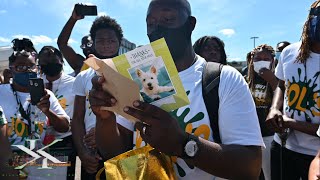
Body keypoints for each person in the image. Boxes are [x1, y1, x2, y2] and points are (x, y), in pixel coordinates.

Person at [89, 0, 264, 179]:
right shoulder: (136, 80)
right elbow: (114, 153)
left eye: (168, 19)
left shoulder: (224, 79)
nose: (157, 28)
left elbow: (250, 167)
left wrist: (182, 144)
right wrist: (105, 118)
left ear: (190, 24)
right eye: (150, 23)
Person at [0, 38, 70, 178]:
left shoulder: (47, 94)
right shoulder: (1, 92)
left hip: (39, 160)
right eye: (20, 67)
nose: (27, 70)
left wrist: (47, 111)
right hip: (7, 158)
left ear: (37, 69)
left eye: (31, 66)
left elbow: (65, 127)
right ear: (11, 70)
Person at [266, 1, 320, 179]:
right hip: (283, 147)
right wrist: (275, 108)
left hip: (316, 156)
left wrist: (289, 123)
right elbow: (282, 85)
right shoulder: (289, 52)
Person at [71, 15, 123, 179]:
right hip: (92, 154)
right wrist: (83, 152)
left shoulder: (131, 73)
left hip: (123, 149)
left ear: (119, 42)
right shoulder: (83, 76)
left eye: (111, 40)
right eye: (100, 40)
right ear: (92, 43)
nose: (106, 45)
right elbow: (77, 118)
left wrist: (103, 132)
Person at [38, 46, 76, 179]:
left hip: (65, 141)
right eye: (45, 62)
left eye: (54, 61)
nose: (50, 65)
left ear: (62, 61)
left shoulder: (74, 83)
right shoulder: (34, 84)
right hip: (38, 142)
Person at [247, 44, 278, 180]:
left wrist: (272, 81)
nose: (262, 61)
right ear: (252, 61)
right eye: (258, 58)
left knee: (270, 174)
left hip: (270, 137)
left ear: (272, 61)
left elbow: (284, 103)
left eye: (266, 58)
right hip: (250, 138)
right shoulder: (245, 81)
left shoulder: (279, 81)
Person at [57, 4, 94, 76]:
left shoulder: (111, 60)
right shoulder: (82, 63)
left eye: (89, 44)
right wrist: (73, 19)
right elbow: (62, 43)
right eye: (83, 46)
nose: (86, 47)